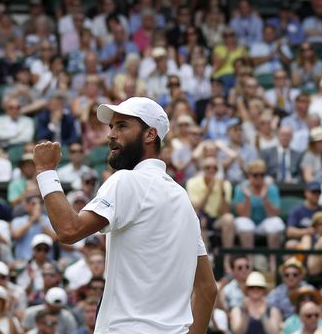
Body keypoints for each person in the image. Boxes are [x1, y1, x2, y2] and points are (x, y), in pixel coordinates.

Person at [32, 97, 217, 333]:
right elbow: (207, 289)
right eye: (111, 127)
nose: (111, 135)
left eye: (122, 126)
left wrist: (45, 171)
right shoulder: (183, 200)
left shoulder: (127, 180)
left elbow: (69, 230)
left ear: (150, 135)